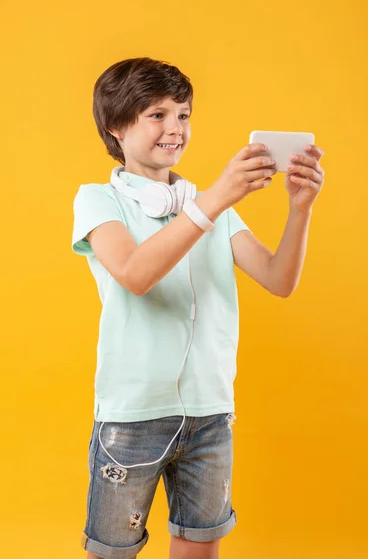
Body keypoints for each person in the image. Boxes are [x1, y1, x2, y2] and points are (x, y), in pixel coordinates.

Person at [71, 57, 325, 559]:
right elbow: (136, 274)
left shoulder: (211, 205)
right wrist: (213, 201)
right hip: (132, 416)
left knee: (199, 547)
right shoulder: (99, 200)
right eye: (157, 115)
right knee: (112, 551)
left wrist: (300, 210)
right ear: (116, 128)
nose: (175, 128)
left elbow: (278, 280)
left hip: (210, 413)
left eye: (183, 115)